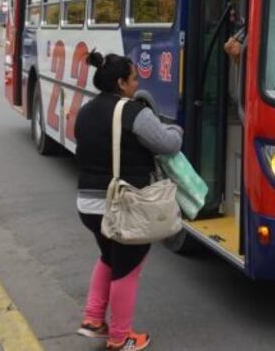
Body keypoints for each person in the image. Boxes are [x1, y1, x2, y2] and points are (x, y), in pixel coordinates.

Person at [73, 51, 183, 350]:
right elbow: (168, 143)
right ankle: (120, 338)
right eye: (134, 78)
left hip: (88, 204)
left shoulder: (85, 110)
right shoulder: (134, 112)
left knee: (109, 257)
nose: (137, 83)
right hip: (124, 206)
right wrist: (175, 128)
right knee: (127, 268)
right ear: (121, 82)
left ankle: (94, 319)